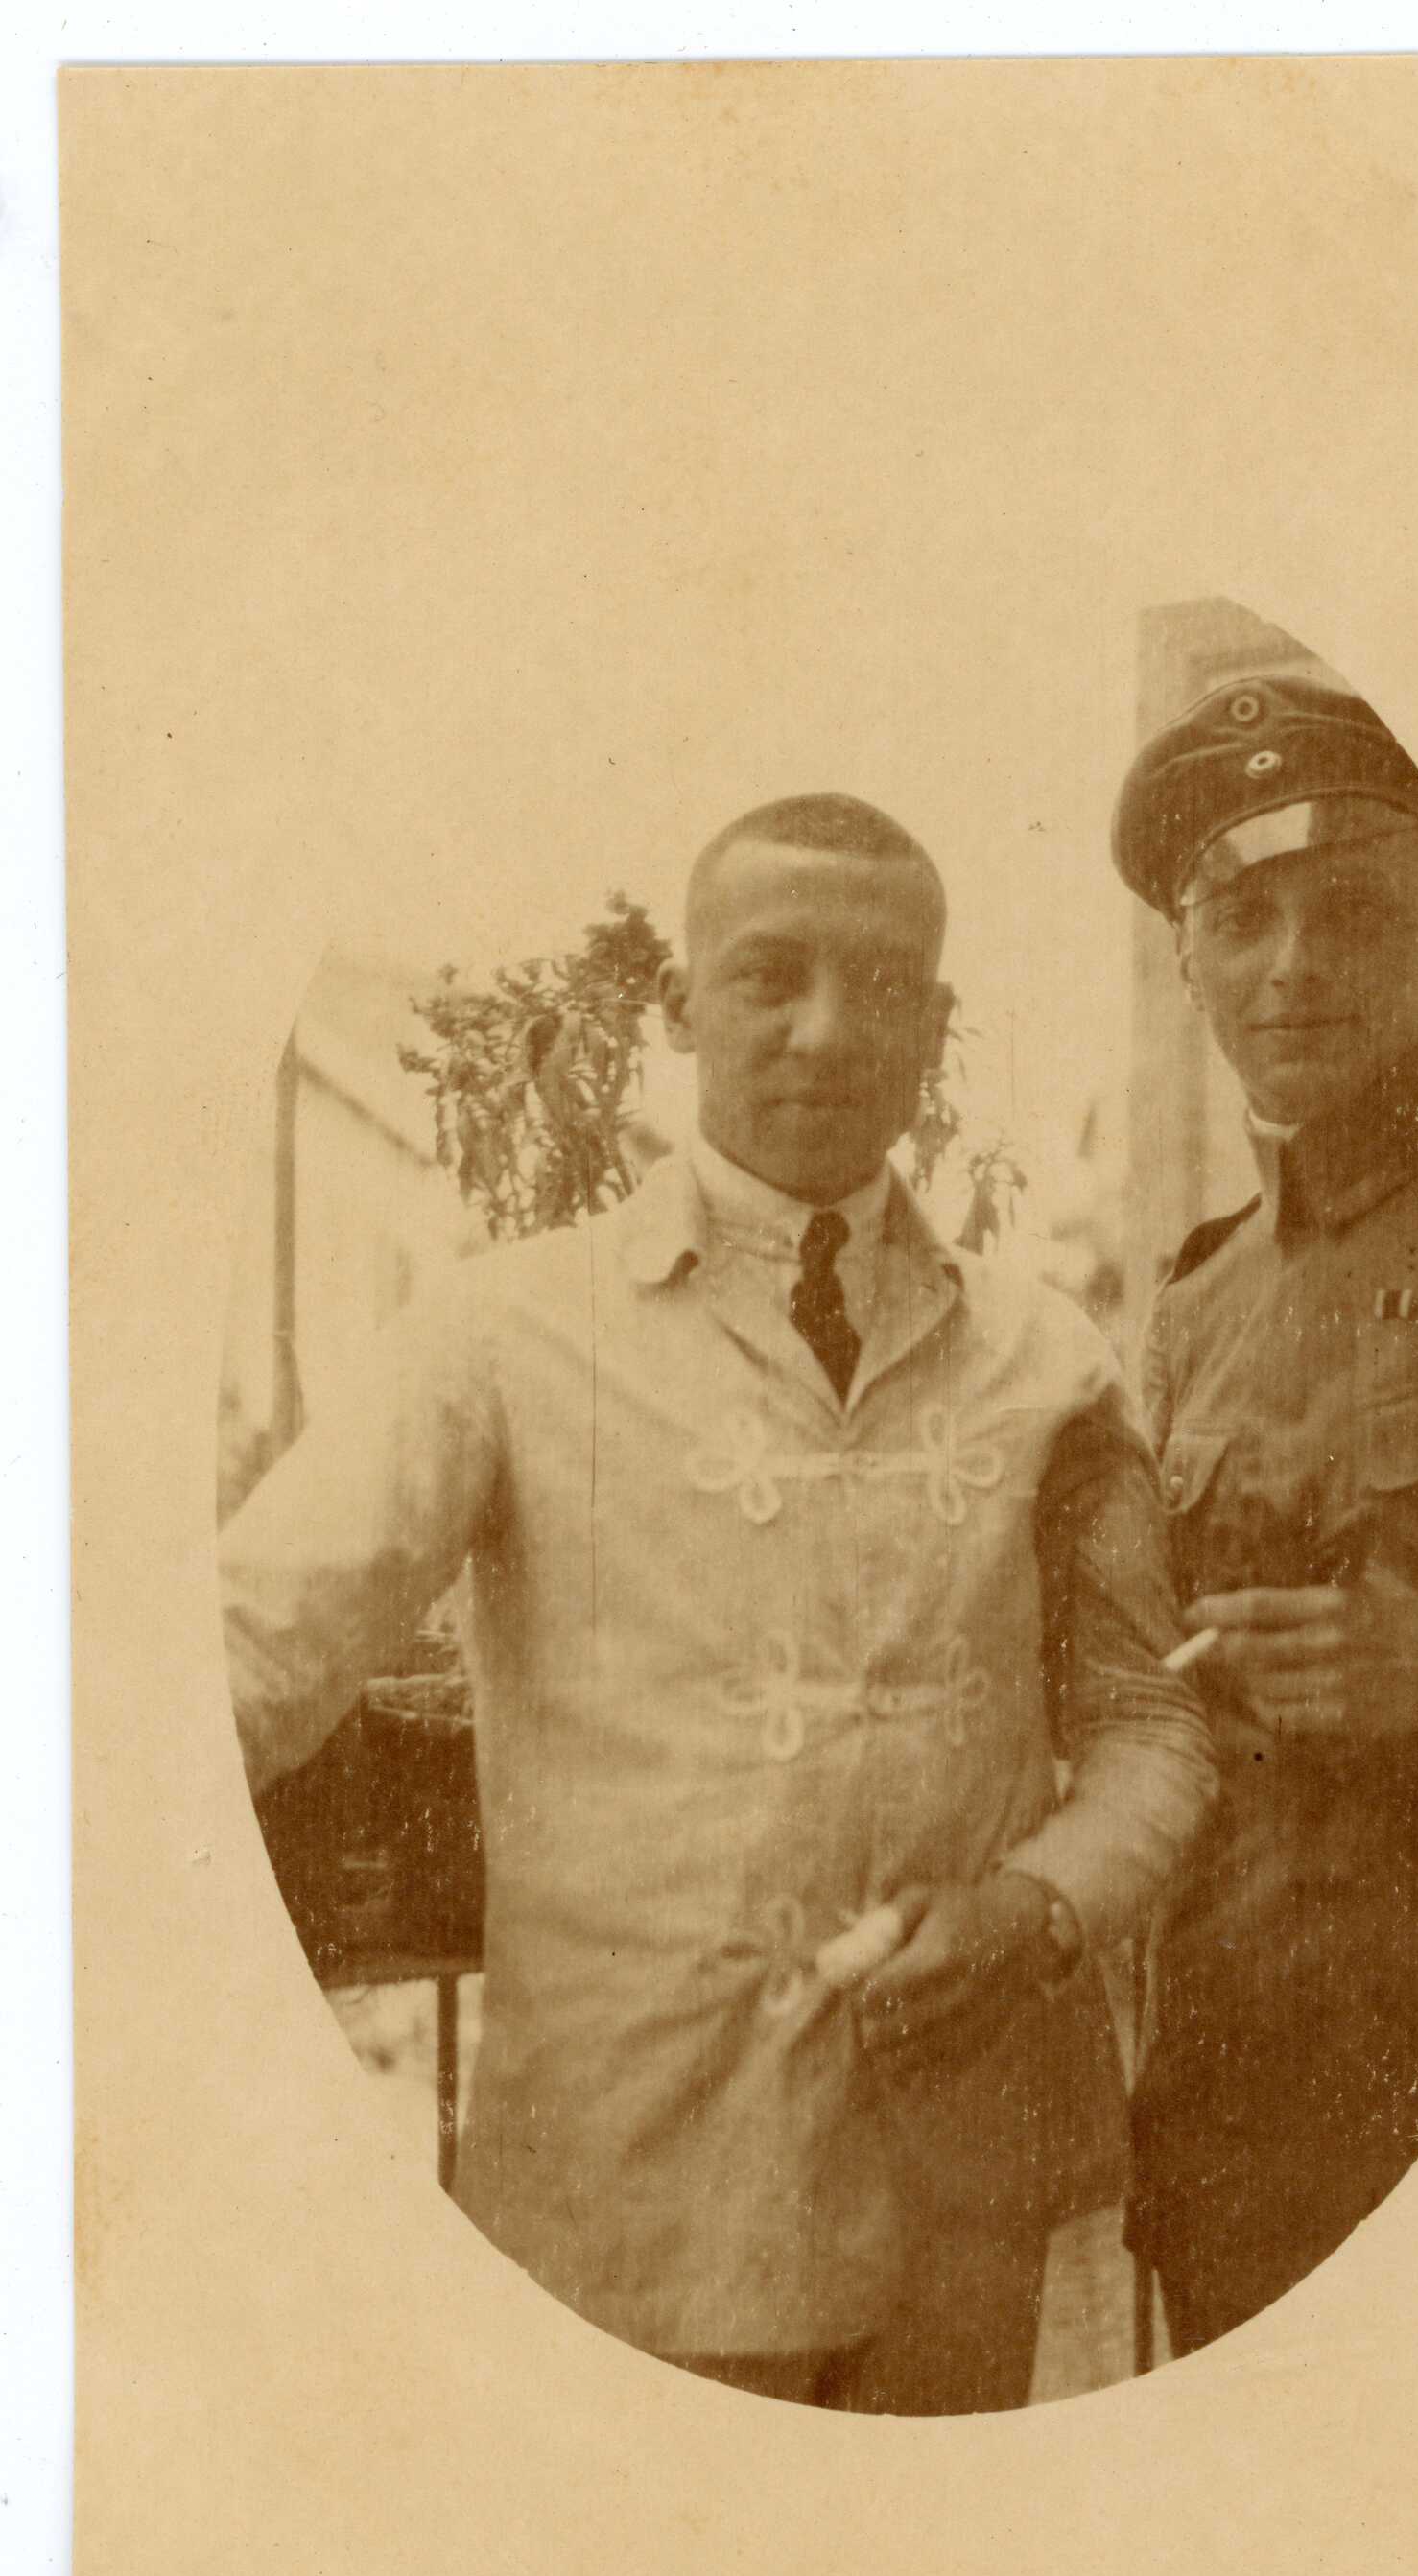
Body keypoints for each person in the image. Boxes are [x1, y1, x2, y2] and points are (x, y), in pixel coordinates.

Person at [221, 792, 1214, 2413]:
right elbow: (251, 1646)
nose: (825, 1030)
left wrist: (1037, 1907)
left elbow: (1151, 1727)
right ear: (683, 1009)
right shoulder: (504, 1334)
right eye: (769, 976)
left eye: (880, 986)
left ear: (934, 1025)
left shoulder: (1046, 1357)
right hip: (635, 2189)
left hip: (954, 2196)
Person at [1110, 667, 1418, 2356]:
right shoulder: (1192, 1308)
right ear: (1186, 963)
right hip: (1236, 2114)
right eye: (1240, 919)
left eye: (1349, 913)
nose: (1293, 966)